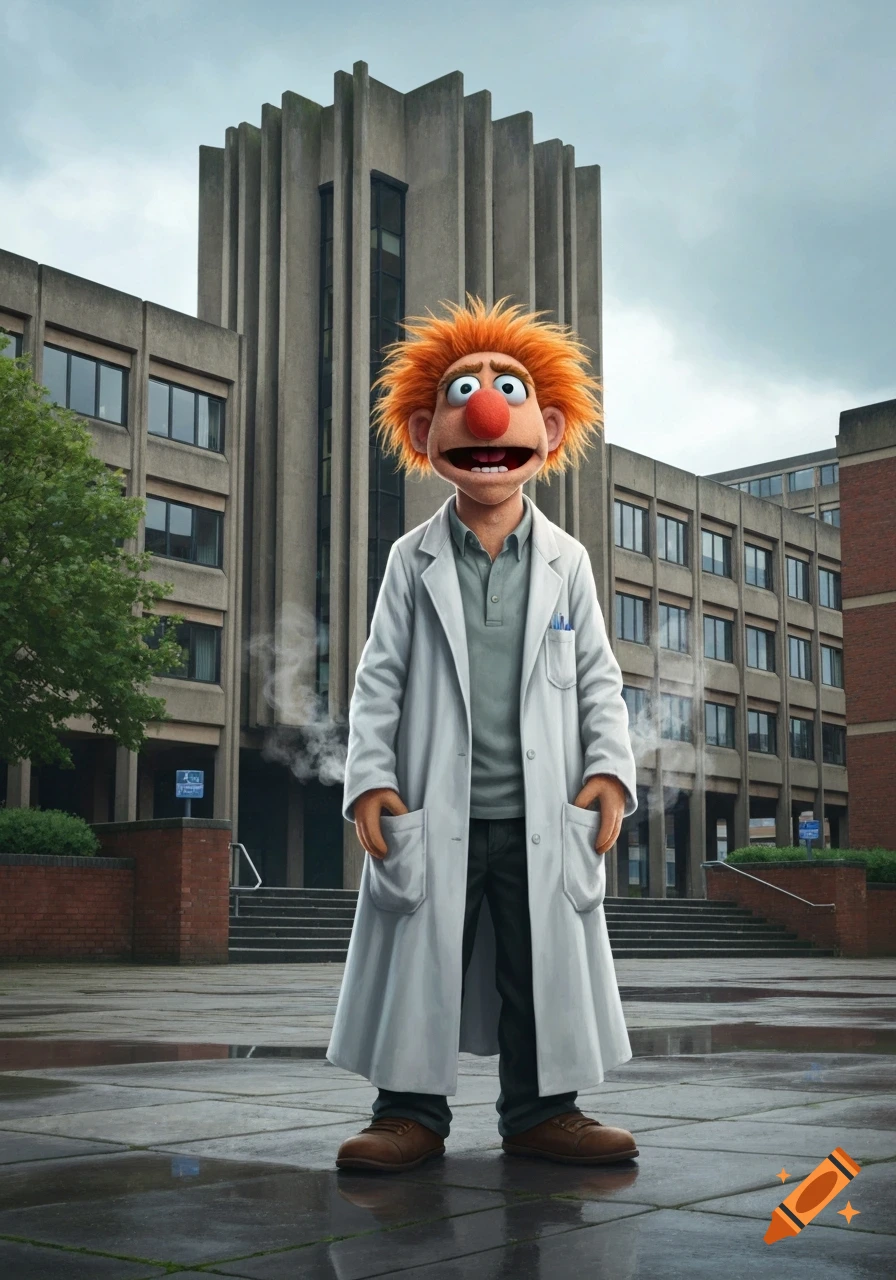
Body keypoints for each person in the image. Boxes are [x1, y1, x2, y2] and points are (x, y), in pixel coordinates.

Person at [327, 298, 639, 1173]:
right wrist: (371, 777)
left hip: (541, 812)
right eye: (466, 395)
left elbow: (599, 679)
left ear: (550, 429)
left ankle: (543, 1112)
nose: (490, 418)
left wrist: (610, 770)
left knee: (536, 969)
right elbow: (379, 679)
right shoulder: (410, 559)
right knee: (423, 962)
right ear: (424, 434)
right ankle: (407, 1114)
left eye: (510, 396)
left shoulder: (568, 561)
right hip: (438, 807)